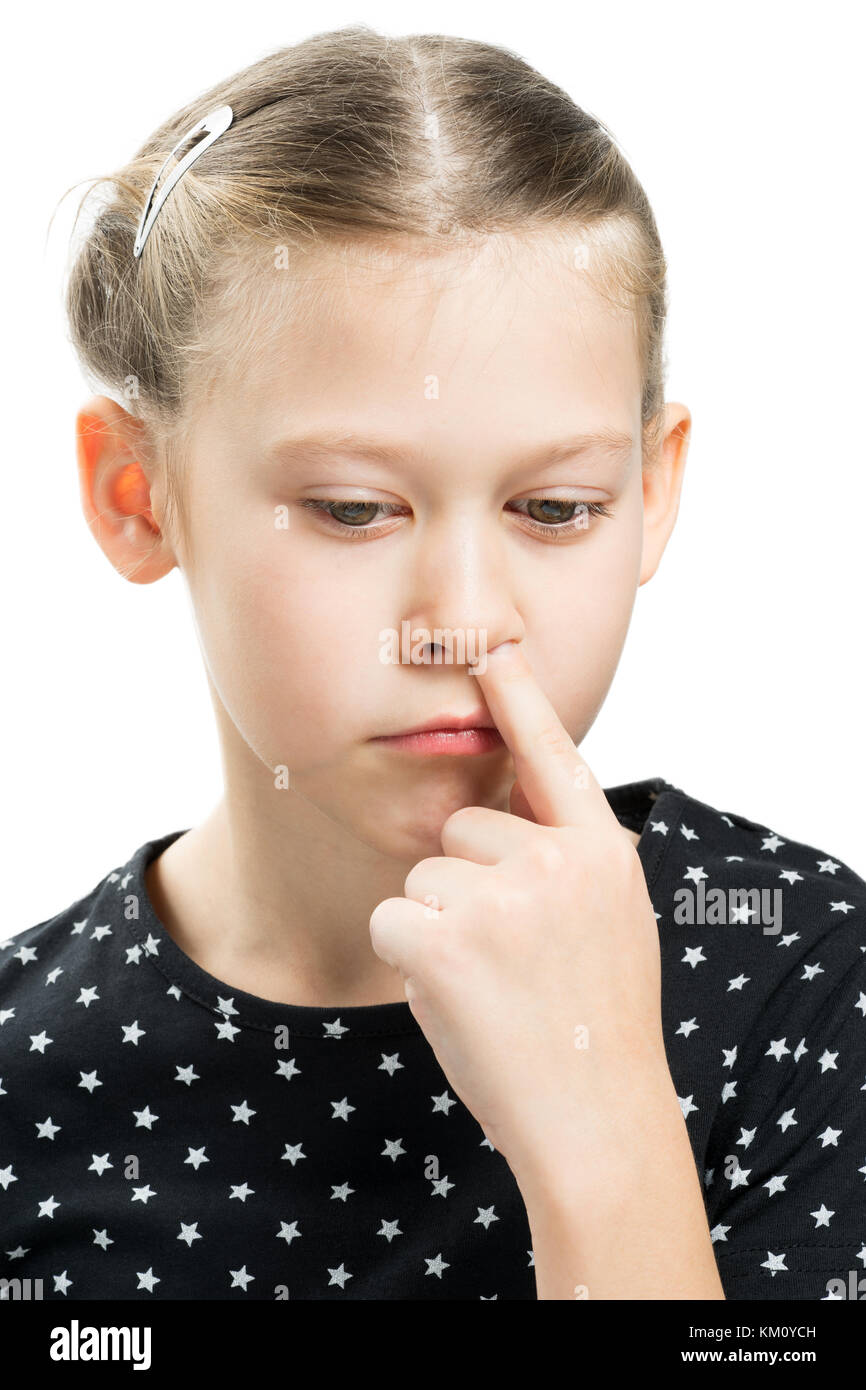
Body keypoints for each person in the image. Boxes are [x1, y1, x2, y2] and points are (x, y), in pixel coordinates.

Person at [2, 25, 864, 1302]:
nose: (462, 625)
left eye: (556, 508)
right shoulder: (25, 1092)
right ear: (137, 495)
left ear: (653, 487)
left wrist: (609, 1137)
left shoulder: (804, 981)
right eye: (354, 510)